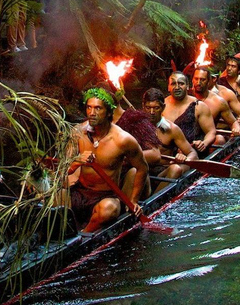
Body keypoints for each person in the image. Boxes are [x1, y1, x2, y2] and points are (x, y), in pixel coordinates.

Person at [69, 88, 148, 233]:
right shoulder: (77, 132)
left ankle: (84, 235)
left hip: (105, 195)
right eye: (89, 107)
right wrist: (77, 162)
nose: (92, 113)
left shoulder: (123, 140)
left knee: (108, 210)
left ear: (109, 112)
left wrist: (134, 200)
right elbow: (64, 169)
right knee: (48, 200)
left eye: (98, 108)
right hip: (79, 191)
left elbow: (142, 168)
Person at [142, 88, 198, 185]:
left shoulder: (172, 129)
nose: (151, 112)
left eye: (156, 108)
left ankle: (157, 198)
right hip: (141, 170)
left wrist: (184, 159)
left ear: (163, 107)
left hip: (163, 172)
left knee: (175, 168)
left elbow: (192, 153)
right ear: (143, 106)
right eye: (148, 108)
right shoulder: (137, 126)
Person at [161, 72, 219, 154]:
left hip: (193, 151)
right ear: (168, 87)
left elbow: (211, 131)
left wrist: (204, 143)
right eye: (173, 84)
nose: (177, 87)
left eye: (181, 84)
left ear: (188, 86)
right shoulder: (161, 106)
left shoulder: (199, 106)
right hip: (168, 152)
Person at [191, 66, 240, 130]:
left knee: (220, 139)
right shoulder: (185, 96)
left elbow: (235, 121)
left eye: (202, 79)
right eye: (196, 79)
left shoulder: (221, 98)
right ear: (192, 80)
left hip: (211, 135)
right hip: (184, 136)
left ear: (210, 80)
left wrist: (239, 124)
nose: (198, 82)